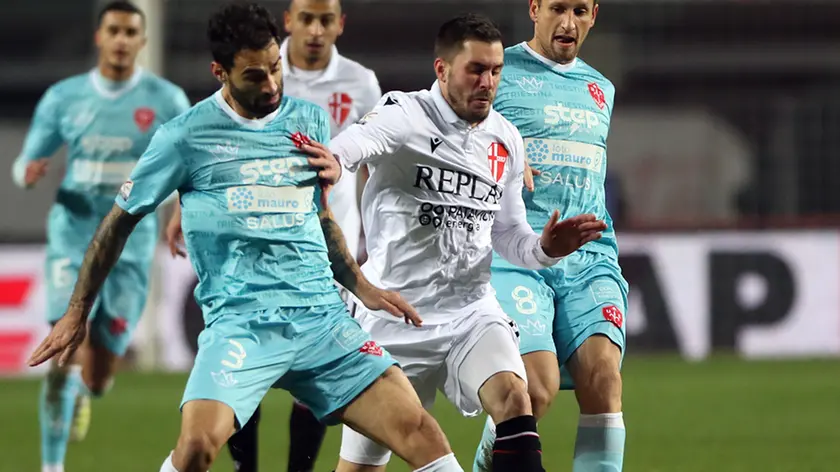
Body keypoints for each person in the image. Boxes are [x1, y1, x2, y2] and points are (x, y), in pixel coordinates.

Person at [27, 3, 467, 472]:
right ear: (221, 72)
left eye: (276, 68)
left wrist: (362, 286)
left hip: (320, 319)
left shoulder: (309, 121)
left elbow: (319, 217)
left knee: (420, 431)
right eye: (255, 76)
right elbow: (119, 221)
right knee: (196, 449)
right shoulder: (183, 137)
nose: (273, 85)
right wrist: (77, 313)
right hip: (241, 323)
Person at [326, 13, 607, 472]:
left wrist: (546, 248)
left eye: (495, 71)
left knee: (518, 399)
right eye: (475, 70)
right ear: (442, 69)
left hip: (470, 312)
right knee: (361, 467)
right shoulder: (404, 115)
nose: (487, 82)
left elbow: (512, 238)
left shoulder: (505, 138)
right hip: (395, 316)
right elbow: (352, 145)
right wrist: (330, 163)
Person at [167, 1, 382, 470]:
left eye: (326, 20)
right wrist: (178, 210)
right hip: (253, 244)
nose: (315, 30)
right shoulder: (259, 64)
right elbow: (216, 148)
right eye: (306, 18)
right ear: (289, 21)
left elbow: (373, 162)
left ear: (340, 25)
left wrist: (370, 239)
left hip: (325, 247)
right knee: (248, 373)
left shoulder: (361, 83)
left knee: (317, 378)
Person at [10, 2, 191, 471]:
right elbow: (25, 160)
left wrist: (180, 212)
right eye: (114, 30)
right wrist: (28, 174)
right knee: (64, 342)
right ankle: (52, 466)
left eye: (131, 31)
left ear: (142, 41)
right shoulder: (63, 98)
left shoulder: (167, 100)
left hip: (129, 242)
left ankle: (86, 387)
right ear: (99, 37)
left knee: (101, 373)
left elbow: (193, 165)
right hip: (72, 233)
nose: (122, 39)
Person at [471, 1, 628, 471]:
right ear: (534, 9)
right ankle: (488, 457)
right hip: (515, 253)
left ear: (594, 14)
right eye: (557, 7)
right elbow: (448, 131)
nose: (568, 22)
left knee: (603, 379)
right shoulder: (499, 70)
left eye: (580, 10)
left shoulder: (601, 88)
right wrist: (496, 158)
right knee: (534, 391)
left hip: (590, 257)